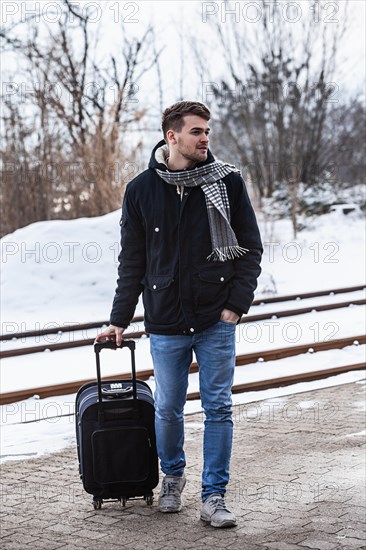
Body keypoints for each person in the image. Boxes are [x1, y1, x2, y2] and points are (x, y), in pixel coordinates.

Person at [96, 101, 263, 528]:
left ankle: (214, 496)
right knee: (168, 407)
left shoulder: (227, 183)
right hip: (166, 319)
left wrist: (235, 307)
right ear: (172, 137)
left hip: (215, 318)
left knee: (218, 407)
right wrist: (119, 318)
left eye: (207, 130)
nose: (205, 138)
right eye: (196, 131)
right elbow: (132, 261)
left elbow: (249, 249)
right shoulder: (141, 191)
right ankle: (172, 477)